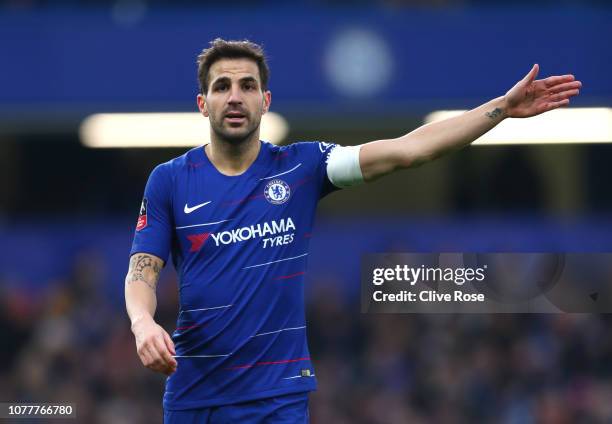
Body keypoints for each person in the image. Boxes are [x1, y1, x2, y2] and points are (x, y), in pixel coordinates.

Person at [124, 38, 581, 423]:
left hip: (277, 396)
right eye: (222, 87)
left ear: (266, 101)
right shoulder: (170, 180)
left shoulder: (302, 167)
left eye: (248, 85)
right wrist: (143, 323)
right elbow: (141, 272)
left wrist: (500, 108)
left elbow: (408, 150)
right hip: (194, 395)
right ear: (203, 104)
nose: (235, 96)